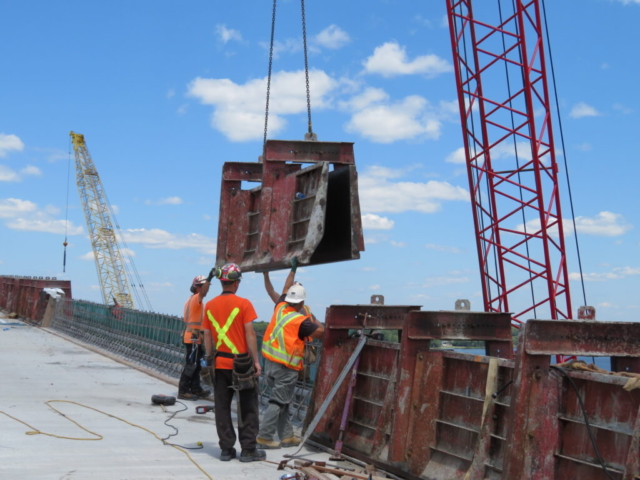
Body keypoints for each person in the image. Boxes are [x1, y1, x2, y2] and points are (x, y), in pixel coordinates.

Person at [202, 263, 266, 463]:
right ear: (236, 283)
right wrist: (256, 361)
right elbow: (249, 333)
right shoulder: (244, 304)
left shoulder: (210, 305)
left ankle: (226, 449)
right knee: (247, 406)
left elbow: (207, 335)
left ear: (222, 282)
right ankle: (248, 450)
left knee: (222, 406)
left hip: (220, 362)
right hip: (242, 364)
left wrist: (211, 358)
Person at [257, 282, 324, 449]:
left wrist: (291, 271)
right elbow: (321, 333)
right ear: (302, 303)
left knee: (283, 401)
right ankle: (264, 436)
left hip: (271, 364)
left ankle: (286, 436)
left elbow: (284, 289)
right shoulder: (300, 321)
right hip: (285, 368)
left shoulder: (280, 308)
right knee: (278, 402)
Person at [177, 275, 211, 400]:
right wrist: (210, 279)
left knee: (196, 364)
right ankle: (183, 390)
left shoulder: (193, 299)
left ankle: (196, 388)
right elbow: (204, 293)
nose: (205, 288)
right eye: (202, 286)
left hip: (194, 336)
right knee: (192, 364)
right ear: (197, 287)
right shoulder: (197, 298)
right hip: (193, 337)